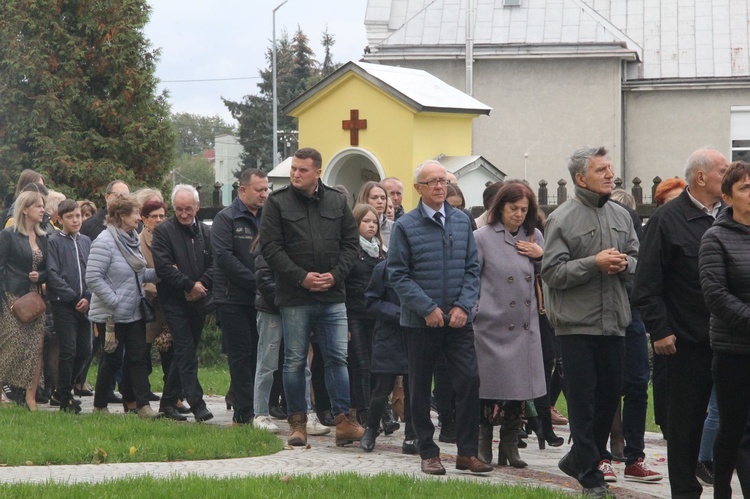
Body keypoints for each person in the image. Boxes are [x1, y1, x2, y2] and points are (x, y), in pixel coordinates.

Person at [541, 146, 640, 498]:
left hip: (614, 321)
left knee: (610, 397)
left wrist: (623, 264)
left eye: (610, 168)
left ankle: (578, 456)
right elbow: (550, 272)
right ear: (581, 177)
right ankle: (591, 478)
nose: (610, 174)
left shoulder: (621, 215)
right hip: (576, 325)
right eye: (601, 170)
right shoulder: (562, 218)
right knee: (582, 402)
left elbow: (636, 259)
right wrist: (592, 263)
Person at [632, 147, 729, 499]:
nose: (729, 177)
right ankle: (685, 492)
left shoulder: (732, 217)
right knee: (684, 425)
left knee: (736, 421)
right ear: (700, 177)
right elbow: (647, 284)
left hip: (731, 340)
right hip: (686, 341)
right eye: (723, 171)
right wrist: (660, 329)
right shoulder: (667, 219)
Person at [387, 159, 491, 476]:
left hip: (459, 321)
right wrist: (427, 308)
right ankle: (428, 452)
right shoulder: (406, 226)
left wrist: (463, 306)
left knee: (470, 381)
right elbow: (398, 274)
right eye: (431, 182)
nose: (438, 187)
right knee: (419, 387)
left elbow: (474, 269)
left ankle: (467, 453)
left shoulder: (462, 221)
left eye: (442, 181)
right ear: (418, 188)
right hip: (421, 323)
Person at [259, 147, 364, 447]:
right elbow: (270, 248)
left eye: (302, 170)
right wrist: (301, 277)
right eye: (293, 169)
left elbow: (350, 244)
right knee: (294, 361)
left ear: (318, 172)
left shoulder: (336, 200)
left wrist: (335, 275)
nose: (295, 174)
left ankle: (343, 421)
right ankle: (297, 423)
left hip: (333, 295)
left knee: (337, 359)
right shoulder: (277, 203)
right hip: (295, 296)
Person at [473, 181, 548, 467]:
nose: (518, 214)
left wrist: (542, 256)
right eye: (512, 208)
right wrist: (477, 311)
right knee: (489, 390)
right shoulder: (481, 237)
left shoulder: (535, 236)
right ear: (500, 207)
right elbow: (472, 277)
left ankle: (510, 444)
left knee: (519, 389)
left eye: (524, 209)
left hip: (524, 327)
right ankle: (484, 444)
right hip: (491, 326)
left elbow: (550, 274)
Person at [699, 160, 750, 498]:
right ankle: (721, 491)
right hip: (735, 350)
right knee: (733, 427)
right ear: (729, 197)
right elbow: (715, 294)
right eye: (745, 187)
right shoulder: (715, 237)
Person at [86, 194, 159, 418]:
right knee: (112, 360)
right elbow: (93, 277)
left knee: (138, 358)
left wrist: (162, 273)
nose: (139, 217)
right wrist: (114, 300)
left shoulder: (132, 240)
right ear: (121, 216)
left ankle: (142, 405)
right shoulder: (104, 241)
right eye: (136, 213)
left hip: (134, 311)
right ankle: (100, 406)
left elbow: (138, 274)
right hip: (111, 315)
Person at [151, 185, 214, 423]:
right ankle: (198, 404)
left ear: (197, 207)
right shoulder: (164, 231)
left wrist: (200, 286)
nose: (184, 214)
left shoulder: (206, 232)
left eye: (188, 209)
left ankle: (167, 402)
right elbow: (164, 267)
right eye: (179, 209)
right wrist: (189, 285)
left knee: (184, 353)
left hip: (199, 300)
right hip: (174, 300)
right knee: (186, 351)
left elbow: (214, 264)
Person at [213, 168, 267, 425]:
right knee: (241, 355)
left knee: (260, 355)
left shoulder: (269, 217)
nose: (264, 194)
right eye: (259, 190)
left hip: (263, 298)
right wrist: (256, 280)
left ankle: (258, 409)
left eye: (266, 189)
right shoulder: (227, 218)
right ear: (242, 190)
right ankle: (243, 412)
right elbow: (223, 257)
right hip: (232, 298)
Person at [360, 258, 416, 454]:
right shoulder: (383, 268)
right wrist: (399, 313)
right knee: (381, 388)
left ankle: (412, 435)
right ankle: (371, 428)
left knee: (415, 388)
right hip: (389, 333)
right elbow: (371, 301)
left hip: (416, 333)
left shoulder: (422, 265)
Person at [0, 190, 48, 410]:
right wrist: (5, 301)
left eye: (43, 205)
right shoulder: (8, 235)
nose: (43, 209)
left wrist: (41, 276)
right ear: (25, 209)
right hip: (13, 296)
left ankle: (31, 397)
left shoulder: (43, 237)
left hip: (35, 299)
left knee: (36, 347)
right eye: (38, 206)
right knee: (13, 346)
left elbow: (49, 269)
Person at [46, 200, 92, 414]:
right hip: (64, 304)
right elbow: (53, 275)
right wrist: (74, 299)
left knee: (85, 349)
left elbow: (92, 272)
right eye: (70, 217)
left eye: (78, 216)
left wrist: (88, 297)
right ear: (61, 219)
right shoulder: (54, 241)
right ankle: (65, 397)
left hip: (85, 303)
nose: (76, 220)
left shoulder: (85, 241)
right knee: (69, 350)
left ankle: (62, 388)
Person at [344, 204, 387, 427]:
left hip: (377, 316)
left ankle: (381, 412)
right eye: (366, 221)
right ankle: (364, 411)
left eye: (374, 222)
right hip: (354, 314)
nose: (371, 226)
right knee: (361, 364)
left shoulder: (382, 251)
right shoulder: (350, 250)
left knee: (378, 365)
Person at [139, 198, 178, 408]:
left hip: (170, 303)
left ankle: (174, 396)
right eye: (154, 216)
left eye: (162, 215)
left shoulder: (171, 238)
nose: (159, 220)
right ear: (144, 219)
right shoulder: (138, 241)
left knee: (170, 351)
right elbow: (140, 275)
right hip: (150, 304)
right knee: (143, 352)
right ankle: (141, 395)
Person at [356, 182, 394, 248]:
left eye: (383, 198)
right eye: (374, 198)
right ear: (365, 199)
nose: (380, 201)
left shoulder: (393, 227)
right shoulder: (352, 225)